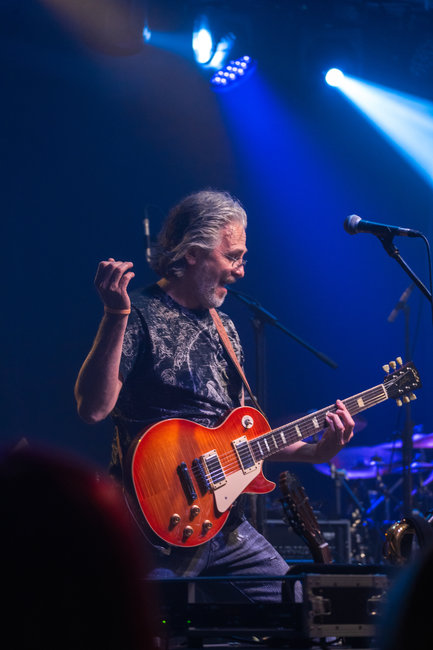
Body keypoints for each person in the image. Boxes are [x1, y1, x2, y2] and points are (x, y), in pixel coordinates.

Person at [75, 189, 354, 603]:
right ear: (192, 253)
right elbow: (94, 408)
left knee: (307, 614)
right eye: (233, 257)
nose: (240, 271)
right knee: (143, 628)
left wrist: (317, 452)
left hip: (225, 527)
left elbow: (243, 440)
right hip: (156, 526)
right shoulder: (139, 314)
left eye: (242, 258)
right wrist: (116, 314)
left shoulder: (226, 329)